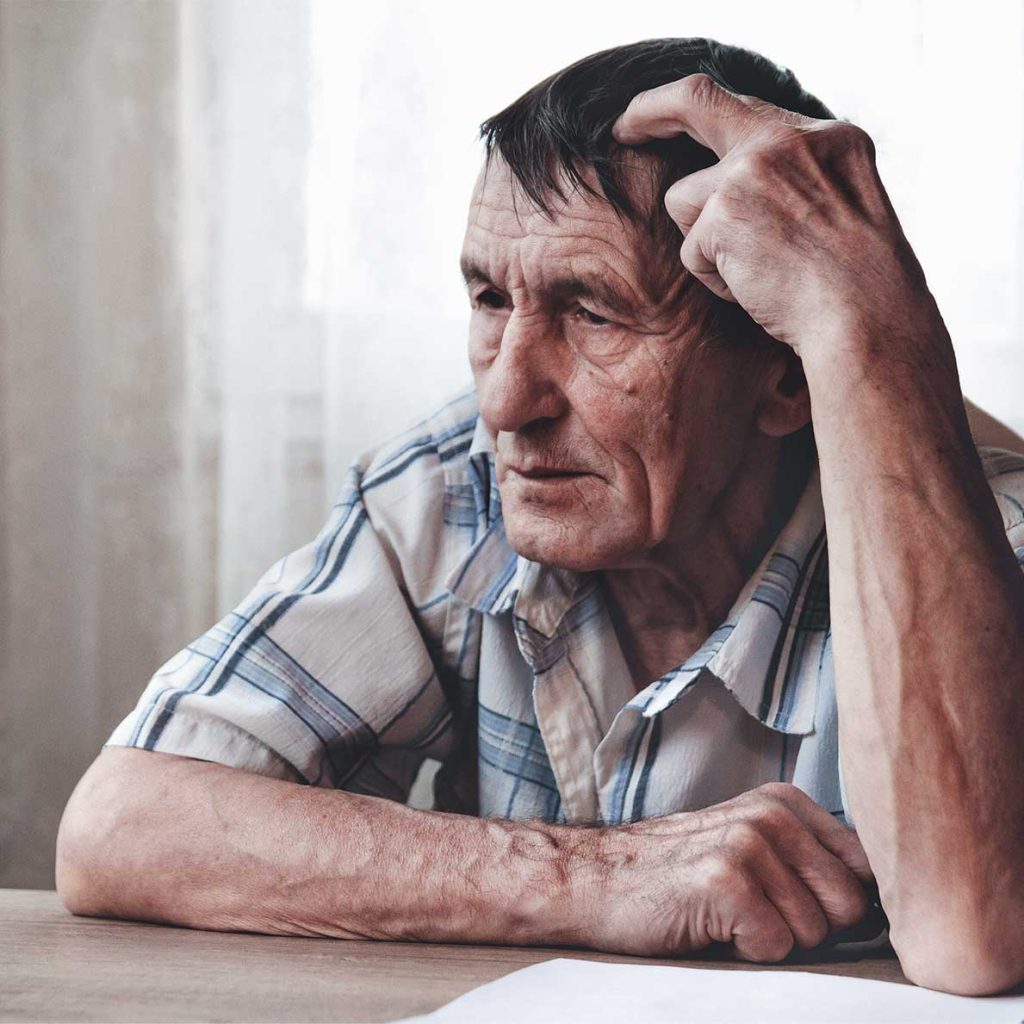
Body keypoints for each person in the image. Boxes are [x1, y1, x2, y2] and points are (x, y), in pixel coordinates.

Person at [55, 38, 1024, 995]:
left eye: (592, 313)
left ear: (782, 372)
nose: (506, 401)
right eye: (487, 297)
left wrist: (864, 322)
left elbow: (970, 931)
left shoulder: (995, 540)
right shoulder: (458, 491)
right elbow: (120, 827)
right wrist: (598, 876)